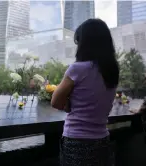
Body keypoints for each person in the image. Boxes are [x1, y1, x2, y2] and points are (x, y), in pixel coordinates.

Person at [51, 18, 119, 166]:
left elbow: (55, 101)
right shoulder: (112, 72)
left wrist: (68, 104)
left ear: (85, 43)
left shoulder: (78, 69)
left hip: (76, 142)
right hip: (102, 142)